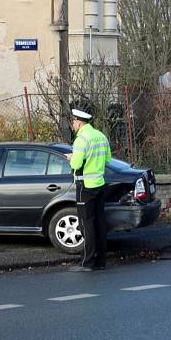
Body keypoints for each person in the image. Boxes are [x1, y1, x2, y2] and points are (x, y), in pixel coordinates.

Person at [66, 108, 112, 272]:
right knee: (99, 222)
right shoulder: (100, 136)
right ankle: (101, 261)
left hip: (85, 186)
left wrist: (71, 158)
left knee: (86, 224)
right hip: (100, 184)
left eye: (73, 122)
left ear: (79, 122)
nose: (73, 125)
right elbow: (108, 159)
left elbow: (76, 165)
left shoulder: (81, 139)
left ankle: (87, 262)